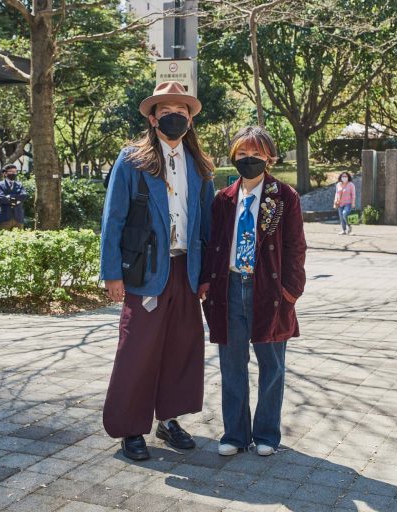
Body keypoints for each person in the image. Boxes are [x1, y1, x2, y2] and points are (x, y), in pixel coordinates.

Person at [100, 81, 215, 461]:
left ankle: (169, 419)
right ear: (153, 119)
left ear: (190, 120)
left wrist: (207, 274)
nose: (175, 117)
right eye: (166, 112)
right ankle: (130, 428)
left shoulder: (199, 165)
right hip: (145, 270)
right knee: (137, 349)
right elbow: (113, 218)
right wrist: (112, 273)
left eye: (182, 112)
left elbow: (208, 224)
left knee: (182, 348)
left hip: (187, 269)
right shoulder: (132, 160)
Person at [200, 126, 306, 457]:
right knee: (232, 365)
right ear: (234, 157)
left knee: (271, 367)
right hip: (230, 288)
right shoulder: (223, 199)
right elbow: (213, 244)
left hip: (269, 292)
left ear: (269, 158)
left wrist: (290, 291)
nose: (249, 159)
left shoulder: (284, 196)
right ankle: (235, 434)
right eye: (243, 153)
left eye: (257, 154)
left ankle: (266, 435)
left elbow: (296, 247)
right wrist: (207, 282)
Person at [0, 164, 27, 229]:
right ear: (5, 173)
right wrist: (17, 200)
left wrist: (9, 196)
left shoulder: (20, 184)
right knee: (4, 235)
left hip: (18, 218)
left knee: (19, 235)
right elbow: (1, 198)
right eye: (11, 172)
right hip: (5, 218)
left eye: (15, 172)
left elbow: (23, 196)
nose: (14, 173)